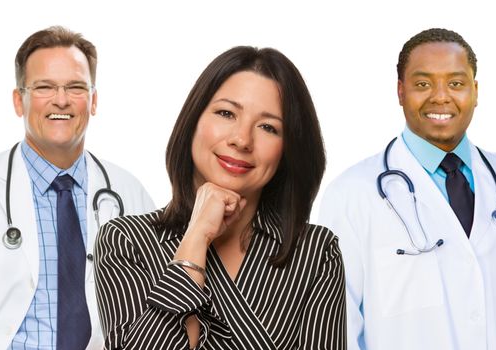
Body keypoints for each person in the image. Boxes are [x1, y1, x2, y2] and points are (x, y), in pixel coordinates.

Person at [318, 28, 496, 350]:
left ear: (475, 91)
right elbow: (334, 329)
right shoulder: (351, 195)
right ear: (400, 91)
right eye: (423, 84)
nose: (441, 97)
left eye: (456, 83)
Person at [0, 26, 155, 350]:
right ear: (18, 101)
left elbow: (156, 310)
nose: (61, 100)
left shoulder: (129, 194)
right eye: (44, 87)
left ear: (93, 100)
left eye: (76, 87)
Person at [95, 46, 346, 349]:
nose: (241, 139)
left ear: (287, 149)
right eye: (226, 113)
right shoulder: (126, 240)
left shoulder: (316, 253)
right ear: (193, 122)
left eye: (268, 127)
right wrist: (197, 237)